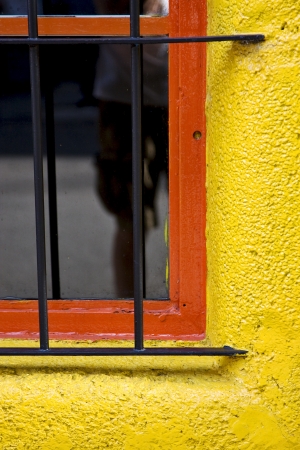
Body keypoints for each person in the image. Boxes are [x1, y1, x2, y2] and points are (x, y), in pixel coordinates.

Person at [93, 0, 169, 297]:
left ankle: (190, 306)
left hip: (173, 94)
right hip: (125, 100)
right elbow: (134, 46)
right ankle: (129, 312)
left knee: (195, 213)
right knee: (131, 216)